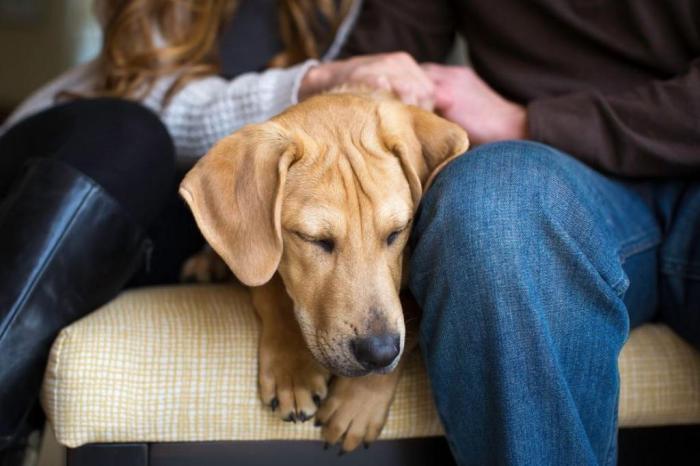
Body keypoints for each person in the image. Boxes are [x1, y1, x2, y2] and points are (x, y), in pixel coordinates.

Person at [0, 0, 436, 450]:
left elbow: (360, 203)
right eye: (319, 239)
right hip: (74, 171)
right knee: (132, 137)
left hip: (193, 220)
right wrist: (308, 84)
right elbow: (140, 91)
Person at [338, 0, 700, 464]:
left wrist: (527, 121)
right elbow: (374, 66)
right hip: (550, 182)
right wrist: (367, 79)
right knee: (491, 208)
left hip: (646, 165)